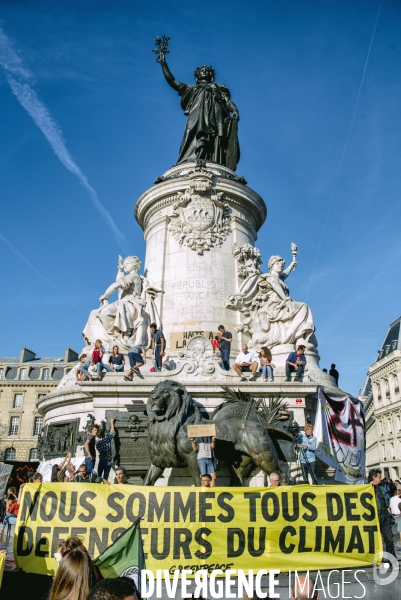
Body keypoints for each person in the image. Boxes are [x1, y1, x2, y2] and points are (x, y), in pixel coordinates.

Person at [158, 54, 240, 170]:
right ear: (197, 76)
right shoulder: (191, 89)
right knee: (191, 135)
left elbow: (227, 102)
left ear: (211, 76)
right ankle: (188, 159)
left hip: (215, 118)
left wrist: (235, 110)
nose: (204, 71)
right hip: (196, 117)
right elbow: (172, 81)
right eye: (202, 70)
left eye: (207, 70)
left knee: (214, 139)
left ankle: (212, 160)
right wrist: (163, 63)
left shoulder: (218, 88)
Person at [369, 468, 396, 562]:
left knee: (389, 539)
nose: (380, 479)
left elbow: (385, 499)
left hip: (384, 515)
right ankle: (377, 560)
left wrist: (388, 507)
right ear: (373, 477)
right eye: (379, 477)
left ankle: (392, 560)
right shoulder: (368, 488)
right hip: (374, 517)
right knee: (375, 541)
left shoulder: (380, 488)